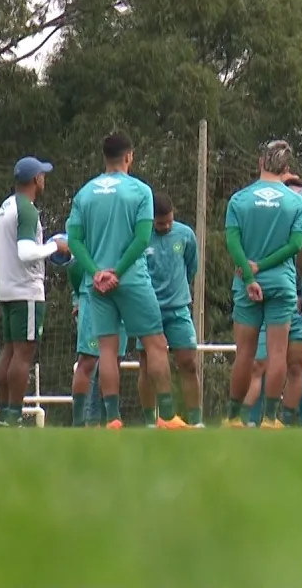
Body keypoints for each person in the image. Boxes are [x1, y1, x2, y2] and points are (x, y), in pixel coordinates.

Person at [66, 133, 186, 429]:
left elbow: (74, 241)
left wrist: (96, 272)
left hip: (97, 286)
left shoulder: (84, 194)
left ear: (104, 157)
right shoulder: (140, 191)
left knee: (106, 350)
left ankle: (113, 418)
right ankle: (168, 417)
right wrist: (117, 272)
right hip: (131, 280)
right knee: (156, 344)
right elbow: (142, 237)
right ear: (129, 156)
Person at [224, 140, 302, 429]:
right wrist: (265, 266)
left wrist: (250, 274)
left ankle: (233, 416)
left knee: (245, 354)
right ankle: (271, 419)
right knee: (277, 353)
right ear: (286, 169)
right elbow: (296, 244)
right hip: (282, 284)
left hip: (247, 285)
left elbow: (232, 241)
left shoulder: (239, 200)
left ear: (260, 163)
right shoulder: (297, 202)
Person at [0, 156, 66, 427]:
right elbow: (25, 252)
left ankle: (2, 414)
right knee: (23, 354)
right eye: (42, 175)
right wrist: (55, 246)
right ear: (36, 180)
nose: (44, 179)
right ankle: (13, 416)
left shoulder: (4, 207)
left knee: (9, 352)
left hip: (7, 290)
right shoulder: (27, 209)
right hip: (27, 292)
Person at [133, 193, 202, 427]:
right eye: (161, 223)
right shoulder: (141, 237)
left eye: (169, 221)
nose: (166, 225)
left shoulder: (185, 235)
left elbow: (191, 267)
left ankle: (195, 421)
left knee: (188, 363)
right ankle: (151, 422)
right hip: (148, 311)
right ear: (151, 220)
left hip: (178, 310)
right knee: (147, 367)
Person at [70, 260, 127, 426]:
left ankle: (110, 421)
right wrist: (78, 296)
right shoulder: (92, 237)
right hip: (92, 297)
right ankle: (78, 423)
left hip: (121, 298)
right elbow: (75, 265)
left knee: (113, 361)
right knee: (87, 360)